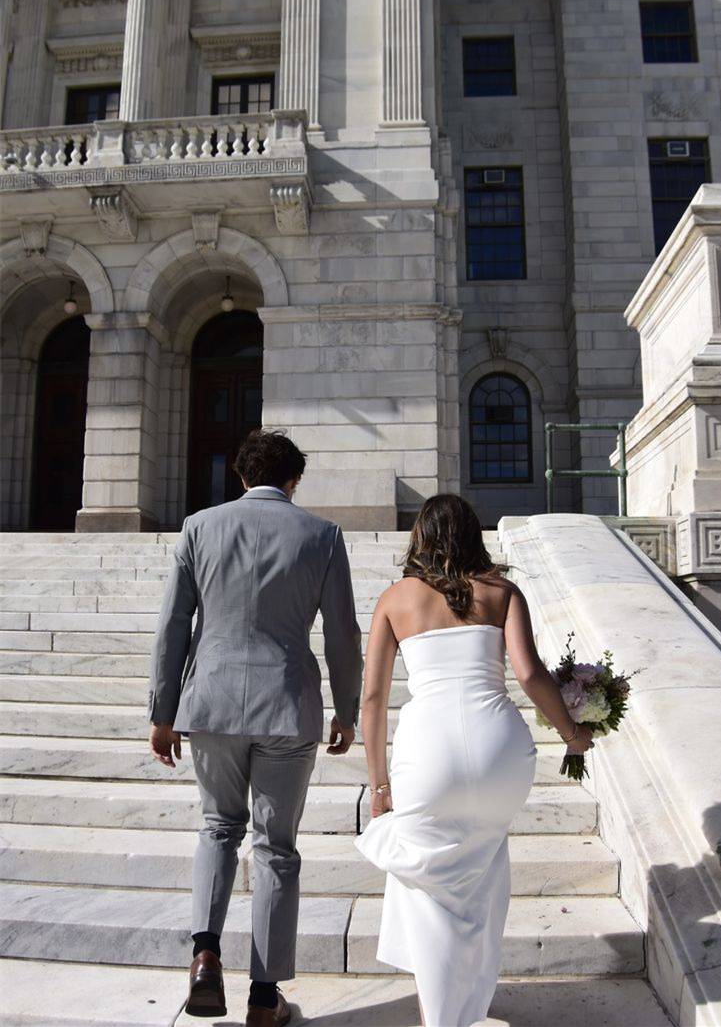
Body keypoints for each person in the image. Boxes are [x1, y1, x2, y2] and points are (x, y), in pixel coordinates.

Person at [147, 429, 363, 1026]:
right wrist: (347, 708)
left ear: (241, 476)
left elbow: (173, 625)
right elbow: (342, 633)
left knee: (218, 827)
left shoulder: (199, 527)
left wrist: (163, 712)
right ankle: (265, 998)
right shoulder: (321, 535)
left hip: (211, 704)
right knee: (276, 849)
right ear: (293, 480)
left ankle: (204, 954)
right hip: (288, 707)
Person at [354, 493, 594, 1027]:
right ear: (472, 535)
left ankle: (442, 1016)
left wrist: (379, 788)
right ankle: (467, 1003)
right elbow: (530, 675)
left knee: (427, 884)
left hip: (428, 753)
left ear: (420, 536)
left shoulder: (395, 599)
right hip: (499, 752)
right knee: (483, 871)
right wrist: (573, 733)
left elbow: (371, 700)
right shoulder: (502, 591)